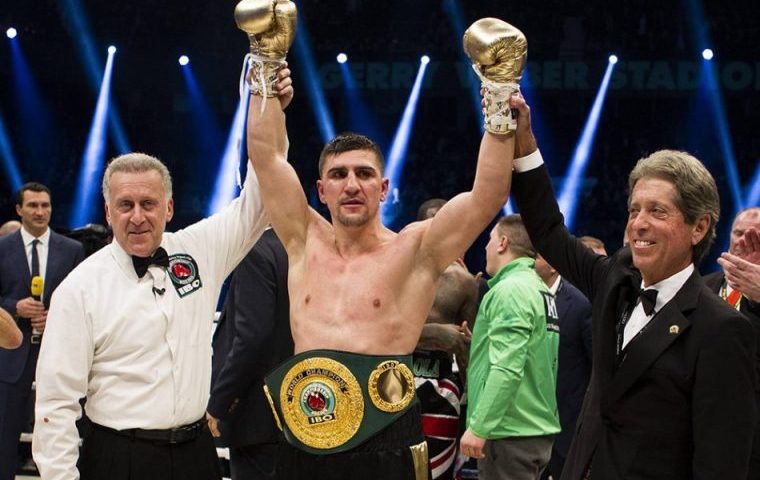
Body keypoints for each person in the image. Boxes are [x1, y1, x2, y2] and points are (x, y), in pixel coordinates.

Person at [245, 38, 517, 480]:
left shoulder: (414, 251)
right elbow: (267, 157)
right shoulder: (303, 240)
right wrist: (265, 62)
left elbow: (487, 195)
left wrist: (501, 91)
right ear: (322, 190)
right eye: (339, 175)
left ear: (384, 188)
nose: (352, 185)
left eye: (364, 174)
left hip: (385, 433)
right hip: (305, 429)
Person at [509, 99, 756, 479]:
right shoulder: (614, 281)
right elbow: (547, 231)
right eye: (634, 209)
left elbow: (720, 465)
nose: (638, 223)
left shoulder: (720, 328)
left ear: (699, 227)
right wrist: (524, 142)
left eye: (657, 211)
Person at [32, 144, 275, 478]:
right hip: (119, 458)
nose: (137, 217)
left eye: (148, 204)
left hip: (197, 454)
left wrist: (266, 115)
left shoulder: (198, 250)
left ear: (169, 208)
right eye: (125, 205)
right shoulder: (79, 289)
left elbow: (259, 202)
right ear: (108, 213)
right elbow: (56, 402)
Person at [460, 215, 560, 480]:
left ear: (503, 243)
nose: (485, 247)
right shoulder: (540, 288)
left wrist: (480, 427)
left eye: (490, 239)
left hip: (508, 431)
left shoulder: (511, 290)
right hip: (531, 428)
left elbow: (507, 366)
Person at [0, 182, 85, 480]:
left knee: (60, 429)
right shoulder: (2, 248)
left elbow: (82, 298)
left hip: (58, 352)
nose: (40, 211)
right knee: (5, 433)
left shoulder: (72, 249)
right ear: (19, 209)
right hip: (12, 355)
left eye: (45, 205)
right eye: (33, 205)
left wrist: (57, 316)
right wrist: (14, 306)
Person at [206, 227, 293, 479]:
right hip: (301, 408)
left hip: (257, 418)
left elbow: (251, 336)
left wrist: (218, 404)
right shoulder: (307, 246)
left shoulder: (257, 251)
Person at [413, 198, 479, 480]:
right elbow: (374, 332)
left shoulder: (463, 282)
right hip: (393, 380)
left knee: (437, 472)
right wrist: (434, 332)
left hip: (443, 388)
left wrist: (473, 414)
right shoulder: (394, 272)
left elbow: (468, 348)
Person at [703, 207, 760, 478]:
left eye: (755, 237)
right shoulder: (701, 288)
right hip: (702, 431)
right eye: (739, 233)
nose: (744, 241)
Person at [534, 254, 592, 480]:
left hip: (566, 425)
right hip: (528, 422)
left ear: (553, 266)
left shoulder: (581, 304)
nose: (529, 260)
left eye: (536, 256)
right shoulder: (524, 296)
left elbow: (595, 365)